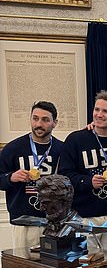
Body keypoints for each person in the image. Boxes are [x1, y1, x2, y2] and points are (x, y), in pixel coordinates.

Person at [59, 90, 107, 260]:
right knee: (85, 266)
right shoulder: (76, 139)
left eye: (106, 111)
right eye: (97, 109)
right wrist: (87, 181)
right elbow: (65, 175)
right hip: (83, 214)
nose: (99, 114)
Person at [0, 101, 64, 250]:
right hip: (23, 223)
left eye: (45, 120)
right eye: (35, 118)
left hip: (54, 222)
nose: (39, 124)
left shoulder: (62, 149)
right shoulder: (13, 148)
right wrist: (11, 177)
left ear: (54, 123)